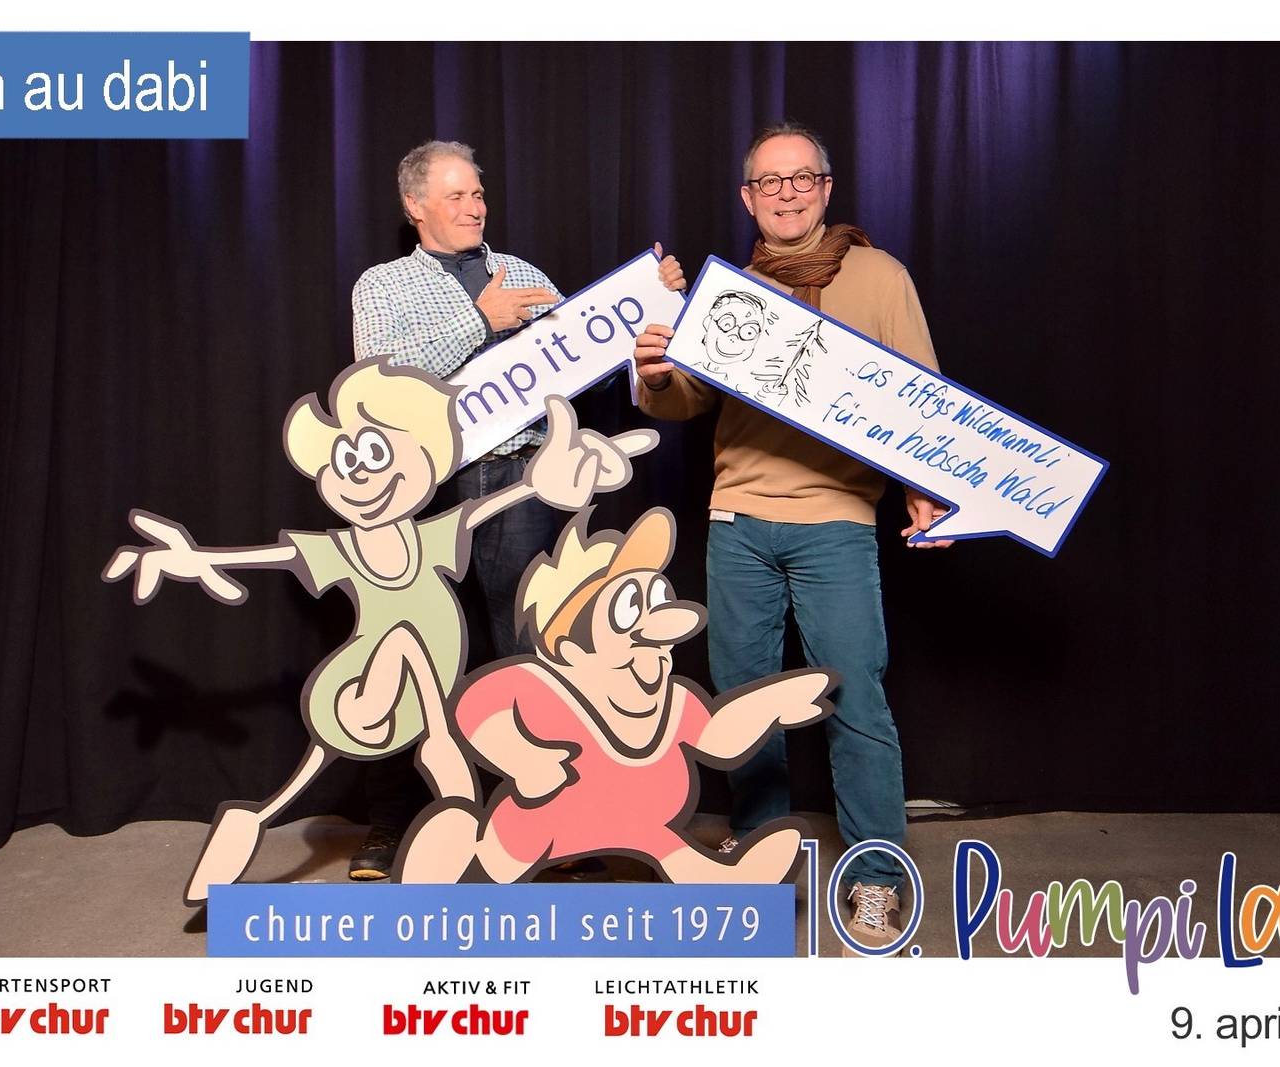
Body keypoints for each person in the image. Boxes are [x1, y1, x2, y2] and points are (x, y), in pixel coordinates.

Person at [103, 360, 652, 904]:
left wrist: (541, 481)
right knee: (402, 643)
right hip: (359, 696)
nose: (362, 475)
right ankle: (449, 793)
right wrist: (195, 558)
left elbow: (501, 501)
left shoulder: (431, 536)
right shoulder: (343, 549)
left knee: (306, 776)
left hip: (415, 695)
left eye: (377, 455)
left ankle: (463, 824)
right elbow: (271, 556)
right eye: (345, 461)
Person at [631, 122, 952, 954]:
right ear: (748, 198)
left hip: (836, 521)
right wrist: (655, 373)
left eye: (801, 178)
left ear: (826, 188)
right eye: (769, 182)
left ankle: (877, 878)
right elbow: (687, 400)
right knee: (744, 703)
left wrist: (929, 492)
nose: (786, 193)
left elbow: (923, 398)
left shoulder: (879, 276)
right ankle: (757, 855)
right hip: (738, 521)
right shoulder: (729, 289)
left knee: (856, 699)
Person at [346, 140, 686, 879]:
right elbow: (377, 382)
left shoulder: (526, 275)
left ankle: (544, 824)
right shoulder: (382, 285)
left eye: (478, 193)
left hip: (521, 479)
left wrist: (650, 305)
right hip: (423, 488)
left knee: (528, 650)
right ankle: (389, 826)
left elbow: (590, 359)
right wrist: (479, 321)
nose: (475, 206)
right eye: (457, 195)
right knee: (412, 648)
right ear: (415, 206)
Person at [395, 507, 834, 886]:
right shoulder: (544, 688)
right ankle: (449, 872)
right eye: (628, 608)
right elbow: (479, 707)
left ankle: (734, 882)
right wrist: (521, 756)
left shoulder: (673, 703)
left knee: (673, 851)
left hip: (642, 828)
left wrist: (768, 705)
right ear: (569, 648)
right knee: (486, 869)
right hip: (535, 833)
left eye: (656, 601)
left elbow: (717, 738)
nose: (656, 624)